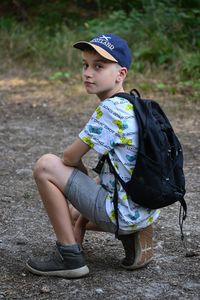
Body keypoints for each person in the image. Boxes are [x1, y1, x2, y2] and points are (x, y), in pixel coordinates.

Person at [26, 33, 160, 279]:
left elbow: (69, 157)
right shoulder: (133, 104)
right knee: (73, 213)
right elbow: (115, 173)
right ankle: (134, 233)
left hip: (122, 212)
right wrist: (78, 224)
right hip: (143, 208)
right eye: (85, 65)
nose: (88, 73)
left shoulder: (110, 109)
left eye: (99, 66)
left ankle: (70, 258)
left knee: (46, 166)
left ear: (121, 74)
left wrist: (76, 171)